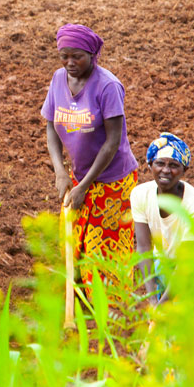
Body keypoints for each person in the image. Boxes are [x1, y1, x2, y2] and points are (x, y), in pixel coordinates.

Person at [42, 23, 138, 288]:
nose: (69, 63)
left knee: (104, 249)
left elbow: (112, 142)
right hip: (79, 175)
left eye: (77, 56)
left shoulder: (108, 86)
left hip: (112, 180)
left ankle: (109, 309)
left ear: (92, 56)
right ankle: (78, 299)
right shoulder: (58, 79)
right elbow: (51, 124)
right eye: (64, 56)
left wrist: (83, 186)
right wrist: (61, 172)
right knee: (73, 239)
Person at [132, 133, 194, 309]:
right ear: (150, 166)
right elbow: (144, 248)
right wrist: (153, 299)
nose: (165, 170)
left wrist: (162, 305)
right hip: (165, 265)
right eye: (160, 163)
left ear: (184, 170)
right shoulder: (140, 195)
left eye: (174, 165)